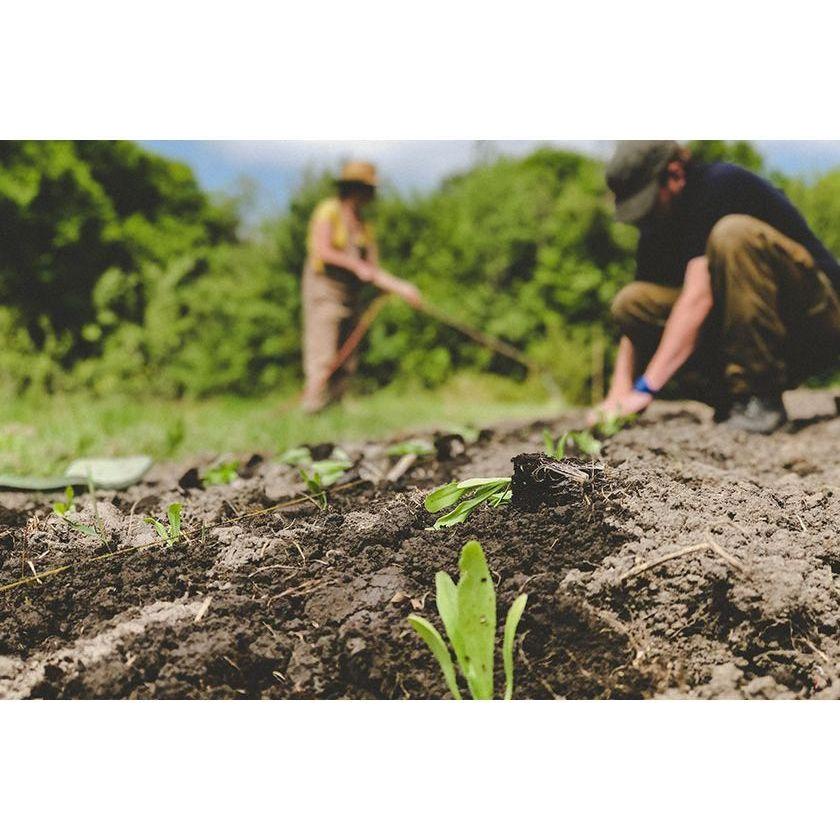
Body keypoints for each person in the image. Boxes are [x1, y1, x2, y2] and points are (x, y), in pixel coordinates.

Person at [592, 141, 840, 433]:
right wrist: (618, 397)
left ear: (674, 174)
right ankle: (731, 398)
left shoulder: (720, 186)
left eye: (647, 199)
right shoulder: (658, 225)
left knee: (731, 234)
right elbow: (632, 331)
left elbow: (697, 300)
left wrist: (647, 387)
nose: (643, 214)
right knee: (632, 303)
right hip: (754, 332)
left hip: (818, 320)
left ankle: (758, 397)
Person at [300, 161, 422, 413]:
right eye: (368, 189)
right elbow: (322, 250)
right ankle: (313, 408)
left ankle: (336, 408)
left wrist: (403, 288)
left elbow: (373, 271)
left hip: (350, 294)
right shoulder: (328, 210)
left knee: (347, 356)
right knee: (323, 352)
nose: (371, 195)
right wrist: (355, 265)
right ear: (355, 188)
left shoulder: (364, 226)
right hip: (325, 289)